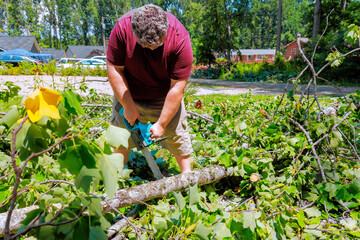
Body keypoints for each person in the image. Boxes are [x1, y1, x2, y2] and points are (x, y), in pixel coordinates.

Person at [106, 4, 193, 173]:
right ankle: (115, 180)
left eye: (157, 45)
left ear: (166, 30)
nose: (152, 49)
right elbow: (114, 69)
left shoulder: (180, 38)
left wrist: (161, 123)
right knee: (122, 137)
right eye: (146, 46)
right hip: (128, 90)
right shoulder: (122, 28)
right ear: (134, 32)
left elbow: (177, 87)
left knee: (178, 137)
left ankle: (188, 180)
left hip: (165, 93)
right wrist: (128, 106)